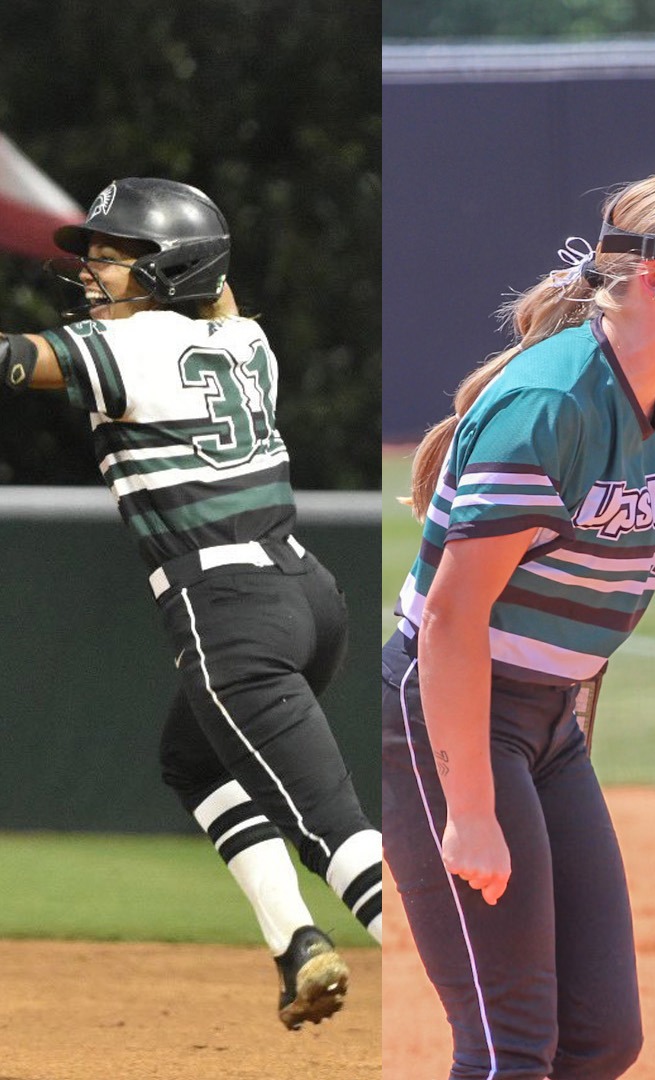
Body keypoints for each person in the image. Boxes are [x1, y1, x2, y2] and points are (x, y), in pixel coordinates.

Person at [384, 167, 655, 1080]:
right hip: (452, 718)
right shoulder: (552, 403)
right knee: (510, 1048)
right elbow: (450, 621)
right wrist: (469, 808)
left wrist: (568, 727)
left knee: (600, 1040)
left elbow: (603, 591)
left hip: (547, 729)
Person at [0, 177, 384, 1028]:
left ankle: (470, 998)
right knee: (194, 761)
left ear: (173, 270)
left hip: (230, 611)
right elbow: (217, 303)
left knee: (338, 835)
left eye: (114, 260)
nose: (94, 276)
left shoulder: (132, 353)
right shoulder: (248, 344)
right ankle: (296, 945)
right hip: (309, 599)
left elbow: (18, 360)